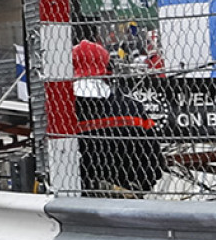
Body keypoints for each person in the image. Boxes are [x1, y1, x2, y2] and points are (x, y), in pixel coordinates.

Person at [69, 40, 164, 195]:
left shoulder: (62, 112)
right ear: (108, 69)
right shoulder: (131, 108)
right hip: (127, 197)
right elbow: (155, 165)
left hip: (75, 195)